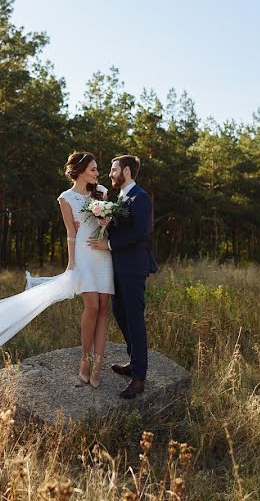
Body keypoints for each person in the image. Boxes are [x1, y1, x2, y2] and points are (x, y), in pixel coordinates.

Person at [87, 155, 157, 399]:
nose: (110, 174)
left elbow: (141, 232)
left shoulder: (141, 197)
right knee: (121, 314)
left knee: (135, 320)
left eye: (114, 169)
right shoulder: (120, 198)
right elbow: (124, 227)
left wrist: (110, 244)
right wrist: (106, 222)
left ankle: (139, 378)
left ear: (126, 171)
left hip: (134, 268)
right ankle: (134, 362)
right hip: (117, 268)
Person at [57, 151, 115, 388]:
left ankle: (98, 366)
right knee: (91, 305)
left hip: (103, 254)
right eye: (93, 169)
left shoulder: (101, 192)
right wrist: (71, 263)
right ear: (80, 171)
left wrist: (106, 223)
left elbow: (110, 227)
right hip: (82, 255)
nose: (97, 173)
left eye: (97, 170)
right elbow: (71, 232)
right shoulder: (65, 198)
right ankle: (85, 361)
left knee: (103, 309)